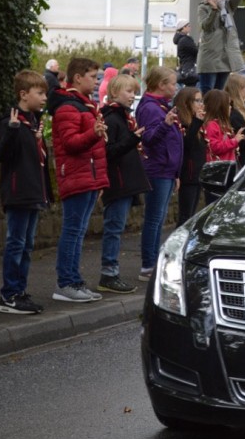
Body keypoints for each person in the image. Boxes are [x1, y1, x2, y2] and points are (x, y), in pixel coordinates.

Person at [50, 57, 108, 303]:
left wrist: (100, 181)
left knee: (79, 231)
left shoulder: (84, 105)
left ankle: (74, 280)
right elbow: (71, 143)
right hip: (76, 175)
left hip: (88, 176)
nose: (97, 82)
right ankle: (66, 282)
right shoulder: (68, 108)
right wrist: (93, 133)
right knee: (72, 231)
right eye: (93, 77)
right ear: (77, 78)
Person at [0, 71, 52, 315]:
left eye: (45, 93)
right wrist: (13, 129)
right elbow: (2, 155)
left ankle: (20, 290)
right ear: (23, 94)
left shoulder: (34, 121)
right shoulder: (12, 120)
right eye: (39, 93)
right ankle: (9, 294)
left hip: (33, 192)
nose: (44, 98)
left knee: (27, 245)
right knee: (16, 243)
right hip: (18, 193)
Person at [99, 73, 151, 294]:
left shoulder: (122, 118)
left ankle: (112, 272)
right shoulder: (112, 119)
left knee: (117, 228)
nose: (132, 96)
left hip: (126, 181)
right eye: (128, 91)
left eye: (134, 91)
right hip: (117, 183)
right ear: (114, 92)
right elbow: (108, 152)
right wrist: (133, 139)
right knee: (113, 228)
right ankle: (109, 273)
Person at [137, 66, 183, 282]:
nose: (175, 87)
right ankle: (148, 263)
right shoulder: (151, 108)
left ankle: (153, 261)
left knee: (159, 218)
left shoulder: (161, 107)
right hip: (157, 169)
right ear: (161, 85)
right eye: (172, 83)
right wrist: (166, 125)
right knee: (154, 219)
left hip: (166, 169)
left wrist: (176, 171)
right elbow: (149, 139)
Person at [195, 0, 245, 94]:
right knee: (208, 94)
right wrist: (213, 9)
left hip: (225, 57)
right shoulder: (203, 6)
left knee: (219, 94)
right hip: (210, 58)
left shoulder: (228, 5)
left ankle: (217, 113)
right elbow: (206, 26)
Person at [202, 89, 244, 203]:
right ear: (220, 107)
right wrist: (234, 141)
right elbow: (214, 147)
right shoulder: (212, 125)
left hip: (227, 170)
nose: (230, 108)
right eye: (228, 105)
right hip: (218, 172)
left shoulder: (224, 125)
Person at [174, 86, 206, 223]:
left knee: (191, 215)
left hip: (197, 174)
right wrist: (197, 122)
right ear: (187, 103)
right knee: (185, 216)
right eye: (197, 101)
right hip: (188, 175)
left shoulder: (195, 121)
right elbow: (186, 144)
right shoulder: (183, 122)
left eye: (201, 101)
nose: (201, 104)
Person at [174, 18, 199, 87]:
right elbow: (196, 51)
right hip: (191, 69)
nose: (190, 27)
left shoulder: (180, 40)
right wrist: (200, 44)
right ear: (183, 27)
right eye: (188, 26)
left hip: (185, 68)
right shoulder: (185, 40)